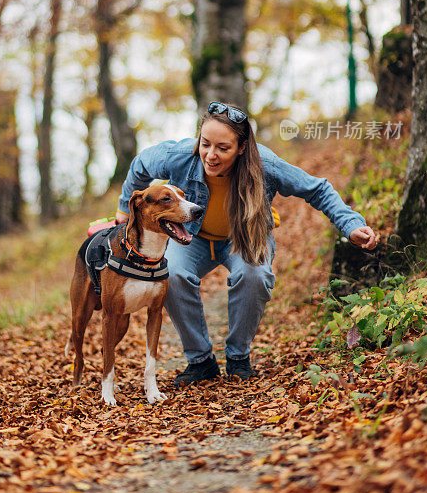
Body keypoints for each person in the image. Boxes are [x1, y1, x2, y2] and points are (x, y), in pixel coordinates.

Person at [115, 102, 378, 385]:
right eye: (205, 144)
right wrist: (124, 207)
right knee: (173, 275)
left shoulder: (266, 164)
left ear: (241, 148)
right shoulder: (179, 155)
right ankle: (201, 361)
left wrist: (350, 225)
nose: (211, 155)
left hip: (244, 236)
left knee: (254, 274)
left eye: (223, 148)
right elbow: (140, 164)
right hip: (192, 236)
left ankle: (239, 357)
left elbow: (317, 189)